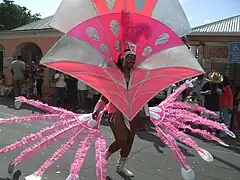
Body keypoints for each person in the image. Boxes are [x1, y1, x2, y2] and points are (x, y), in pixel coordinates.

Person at [92, 49, 151, 177]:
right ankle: (103, 158)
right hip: (115, 110)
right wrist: (97, 109)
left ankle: (120, 167)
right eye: (129, 57)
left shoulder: (137, 77)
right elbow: (105, 95)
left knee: (129, 140)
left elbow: (142, 97)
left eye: (134, 58)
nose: (132, 60)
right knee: (121, 140)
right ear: (122, 59)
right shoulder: (115, 75)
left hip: (132, 112)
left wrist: (147, 115)